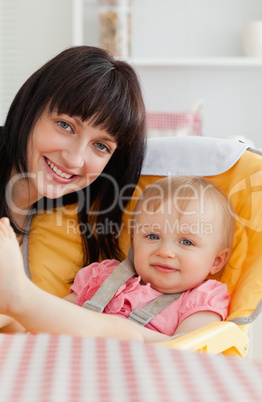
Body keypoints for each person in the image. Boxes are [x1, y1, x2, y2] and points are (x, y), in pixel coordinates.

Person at [0, 46, 146, 336]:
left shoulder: (76, 221)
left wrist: (23, 302)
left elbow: (128, 337)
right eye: (65, 125)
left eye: (101, 146)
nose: (75, 159)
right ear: (31, 107)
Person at [0, 176, 235, 342]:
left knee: (124, 334)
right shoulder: (104, 276)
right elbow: (59, 314)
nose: (165, 251)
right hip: (67, 366)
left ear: (216, 261)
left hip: (138, 374)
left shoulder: (203, 299)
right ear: (134, 241)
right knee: (24, 320)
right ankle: (13, 312)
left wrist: (120, 331)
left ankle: (19, 296)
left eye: (186, 242)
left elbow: (188, 350)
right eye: (152, 236)